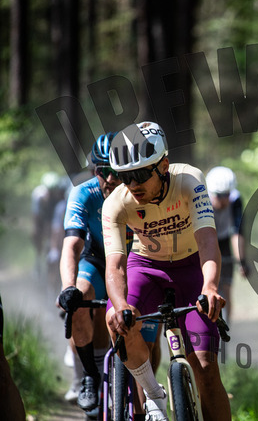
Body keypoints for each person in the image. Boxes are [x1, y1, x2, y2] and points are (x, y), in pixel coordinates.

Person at [103, 121, 231, 421]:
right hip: (145, 267)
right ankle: (153, 396)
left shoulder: (189, 180)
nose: (133, 184)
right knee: (115, 321)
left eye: (140, 175)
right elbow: (116, 265)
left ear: (163, 165)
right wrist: (120, 305)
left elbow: (207, 240)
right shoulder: (116, 203)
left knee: (206, 368)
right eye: (125, 177)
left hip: (191, 266)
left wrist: (210, 286)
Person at [57, 133, 159, 414]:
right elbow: (71, 245)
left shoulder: (139, 192)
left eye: (117, 171)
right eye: (103, 171)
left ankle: (147, 403)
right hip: (97, 261)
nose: (111, 179)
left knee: (147, 346)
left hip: (137, 262)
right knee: (79, 297)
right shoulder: (83, 193)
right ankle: (90, 376)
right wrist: (68, 287)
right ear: (95, 171)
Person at [205, 166, 249, 323]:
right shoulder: (202, 199)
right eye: (219, 195)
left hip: (223, 240)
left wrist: (241, 261)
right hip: (204, 241)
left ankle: (227, 326)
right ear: (211, 193)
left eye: (227, 195)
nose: (224, 199)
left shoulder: (235, 199)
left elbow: (237, 232)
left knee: (227, 288)